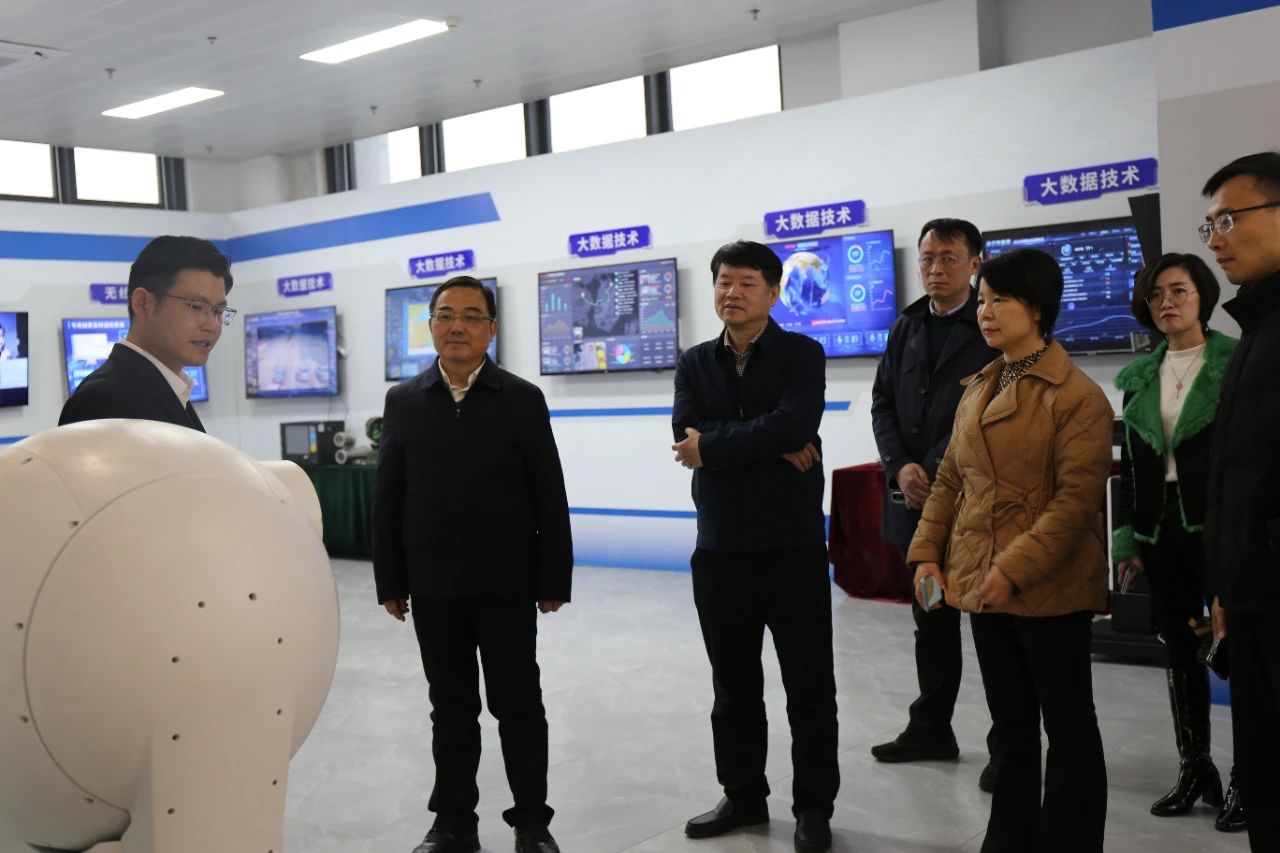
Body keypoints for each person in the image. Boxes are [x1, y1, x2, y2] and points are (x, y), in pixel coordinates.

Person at [907, 248, 1112, 852]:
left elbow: (1075, 502)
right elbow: (950, 479)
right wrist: (926, 553)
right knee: (1012, 727)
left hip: (1049, 587)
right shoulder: (979, 386)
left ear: (1038, 309)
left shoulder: (1078, 396)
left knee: (1069, 729)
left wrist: (1012, 568)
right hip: (983, 585)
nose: (986, 312)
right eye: (982, 301)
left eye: (1001, 300)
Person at [372, 275, 572, 853]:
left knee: (518, 705)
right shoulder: (404, 401)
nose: (456, 326)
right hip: (434, 586)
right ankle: (454, 823)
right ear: (431, 325)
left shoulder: (521, 399)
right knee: (451, 708)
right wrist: (390, 579)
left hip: (507, 583)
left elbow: (549, 494)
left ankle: (532, 822)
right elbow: (388, 497)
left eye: (470, 316)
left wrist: (552, 577)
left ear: (491, 328)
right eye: (445, 315)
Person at [672, 240, 838, 853]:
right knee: (733, 688)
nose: (732, 292)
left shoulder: (802, 354)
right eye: (723, 281)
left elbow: (795, 423)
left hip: (792, 547)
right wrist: (767, 444)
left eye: (746, 282)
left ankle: (813, 807)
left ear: (772, 292)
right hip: (720, 550)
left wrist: (716, 446)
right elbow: (684, 435)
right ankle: (742, 795)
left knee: (809, 688)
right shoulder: (694, 362)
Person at [1112, 253, 1245, 830]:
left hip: (1222, 527)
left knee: (1239, 651)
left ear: (1203, 296)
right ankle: (1196, 768)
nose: (1166, 302)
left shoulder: (1235, 362)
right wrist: (1128, 538)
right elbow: (1132, 465)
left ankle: (1249, 776)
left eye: (1179, 291)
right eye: (1156, 294)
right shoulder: (1140, 376)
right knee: (1180, 650)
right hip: (1160, 528)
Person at [869, 218, 999, 789]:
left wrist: (937, 465)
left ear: (975, 263)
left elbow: (991, 405)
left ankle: (1007, 746)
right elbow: (883, 402)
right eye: (927, 258)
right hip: (916, 505)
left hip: (974, 506)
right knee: (932, 619)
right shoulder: (907, 325)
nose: (935, 269)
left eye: (948, 258)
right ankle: (931, 729)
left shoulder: (990, 322)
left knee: (994, 629)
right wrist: (900, 464)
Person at [1201, 151, 1280, 852]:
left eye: (1228, 220)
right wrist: (1226, 585)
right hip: (1252, 599)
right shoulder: (1254, 331)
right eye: (1210, 226)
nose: (1216, 240)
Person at [58, 235, 233, 430]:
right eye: (196, 307)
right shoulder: (103, 400)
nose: (212, 325)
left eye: (218, 311)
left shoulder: (168, 389)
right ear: (143, 303)